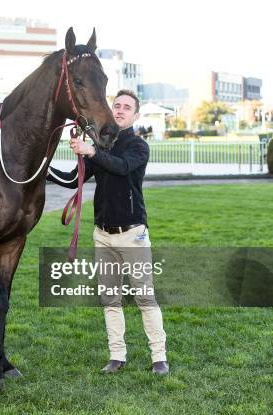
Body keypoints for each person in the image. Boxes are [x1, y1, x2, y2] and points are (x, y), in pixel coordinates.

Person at [47, 89, 169, 375]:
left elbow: (122, 167)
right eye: (117, 105)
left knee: (144, 298)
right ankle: (117, 356)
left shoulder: (138, 146)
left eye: (127, 107)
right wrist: (43, 166)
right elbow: (70, 180)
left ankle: (159, 358)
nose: (120, 110)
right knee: (110, 299)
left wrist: (92, 151)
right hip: (102, 234)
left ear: (136, 115)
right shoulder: (100, 145)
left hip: (133, 234)